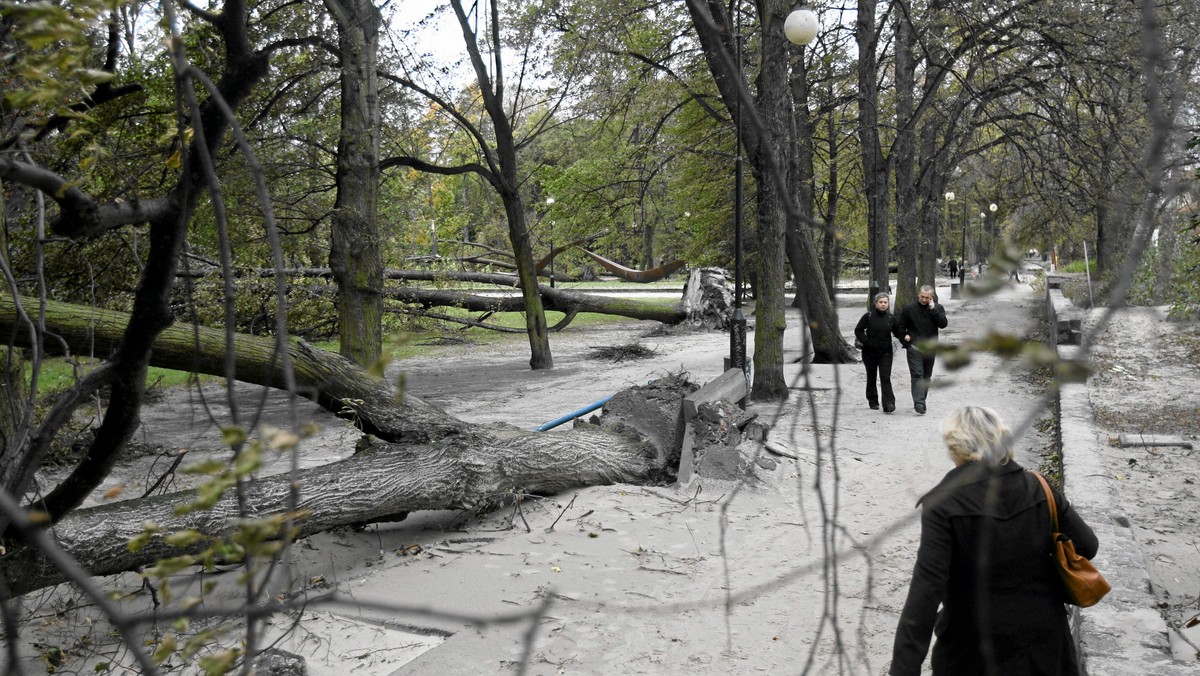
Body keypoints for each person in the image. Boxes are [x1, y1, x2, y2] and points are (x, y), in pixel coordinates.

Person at [889, 406, 1099, 675]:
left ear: (956, 448)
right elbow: (1087, 546)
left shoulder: (943, 505)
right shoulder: (1039, 487)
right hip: (1044, 641)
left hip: (971, 649)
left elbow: (925, 593)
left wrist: (904, 668)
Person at [897, 285, 948, 414]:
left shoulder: (938, 308)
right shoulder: (909, 309)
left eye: (927, 298)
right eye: (922, 296)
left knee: (926, 375)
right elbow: (900, 327)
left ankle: (921, 399)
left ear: (932, 297)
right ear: (918, 294)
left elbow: (943, 324)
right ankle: (919, 402)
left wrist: (933, 310)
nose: (924, 299)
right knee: (917, 374)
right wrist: (905, 339)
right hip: (914, 347)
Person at [854, 293, 903, 413]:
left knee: (885, 377)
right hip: (869, 353)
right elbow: (858, 330)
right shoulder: (868, 316)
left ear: (888, 304)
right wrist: (867, 342)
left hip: (886, 353)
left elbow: (897, 332)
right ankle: (873, 400)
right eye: (880, 302)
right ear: (876, 303)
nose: (883, 304)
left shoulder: (891, 318)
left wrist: (906, 337)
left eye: (885, 302)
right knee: (871, 377)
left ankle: (889, 404)